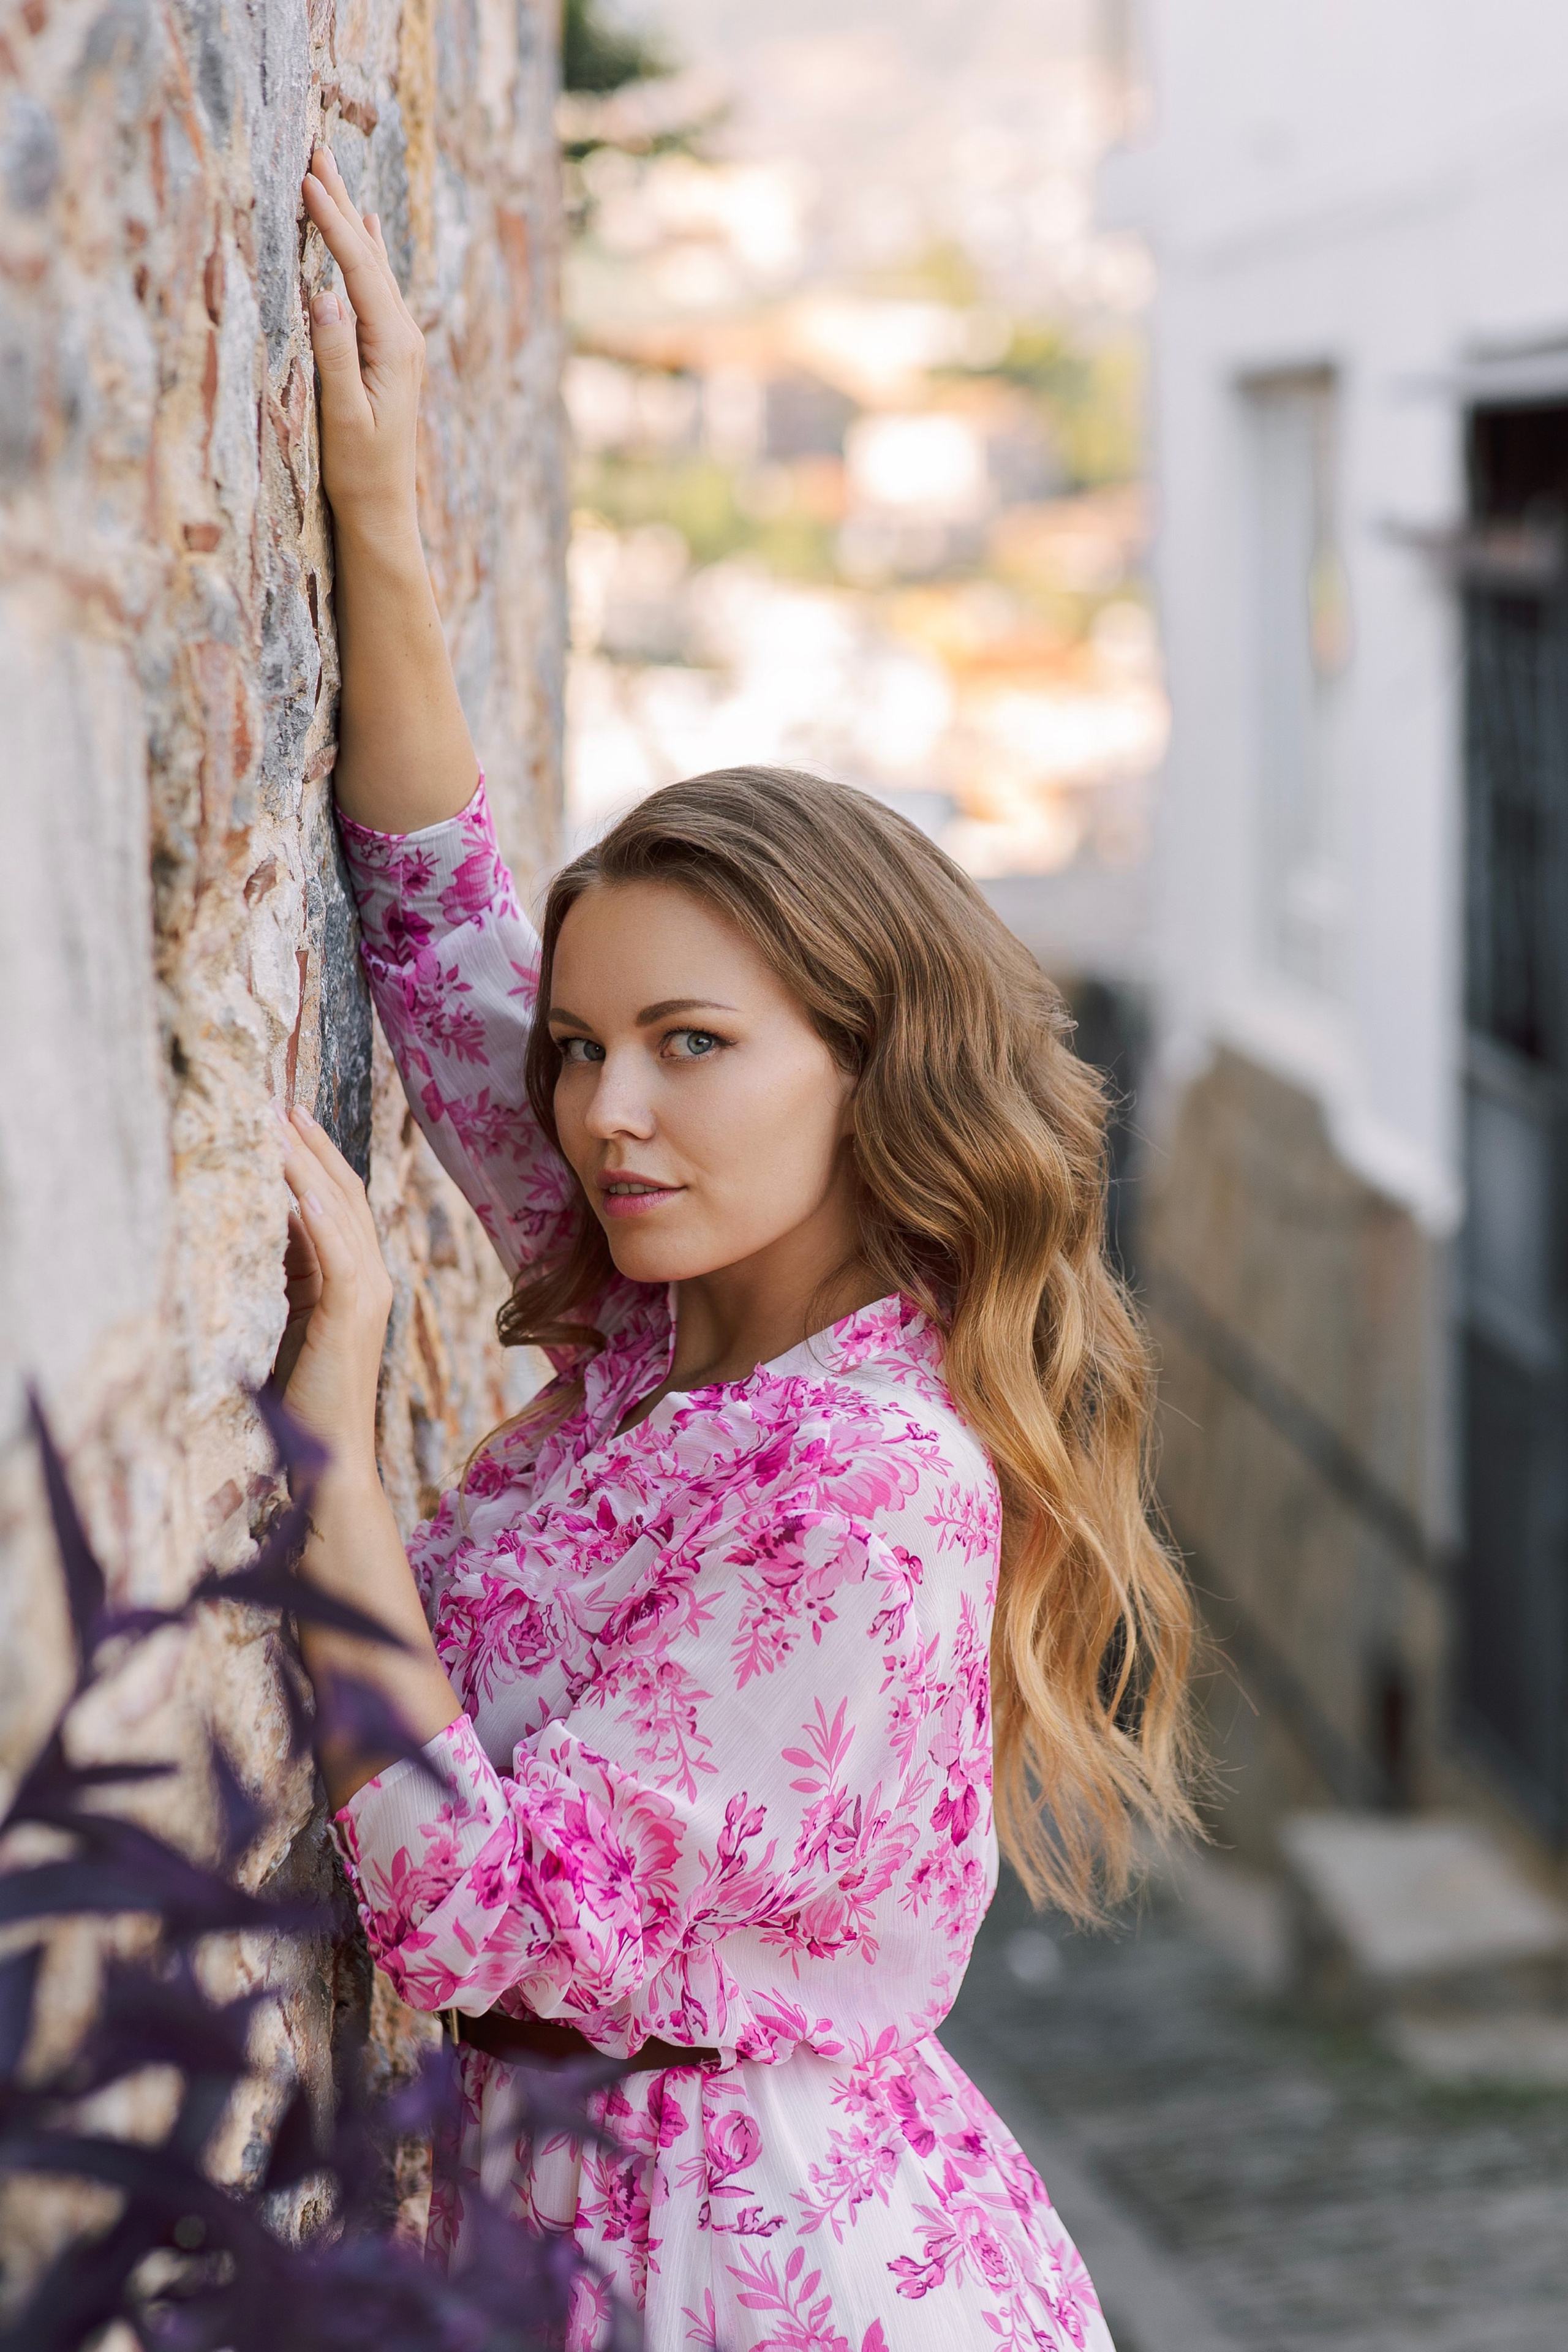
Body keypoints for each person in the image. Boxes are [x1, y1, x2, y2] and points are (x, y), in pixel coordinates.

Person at [277, 144, 1196, 2352]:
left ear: (872, 1070)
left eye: (695, 1044)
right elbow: (438, 937)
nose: (604, 1111)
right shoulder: (655, 1320)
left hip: (748, 2274)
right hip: (570, 2210)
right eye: (592, 1050)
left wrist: (329, 1452)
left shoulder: (865, 1490)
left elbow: (477, 1913)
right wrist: (378, 510)